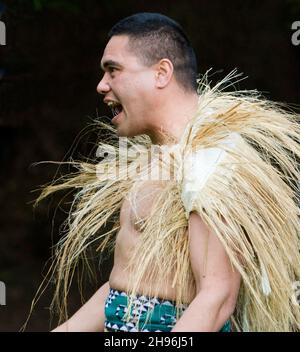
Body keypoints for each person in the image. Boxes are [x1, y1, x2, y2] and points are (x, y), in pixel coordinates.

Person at [35, 13, 300, 332]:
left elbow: (216, 297)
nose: (102, 85)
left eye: (113, 70)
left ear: (161, 73)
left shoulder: (211, 160)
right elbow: (127, 287)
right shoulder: (153, 159)